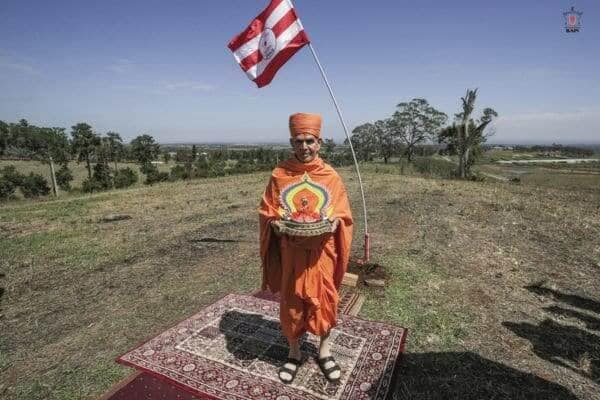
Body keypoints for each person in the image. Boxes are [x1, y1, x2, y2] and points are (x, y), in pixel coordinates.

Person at [259, 112, 353, 384]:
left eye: (309, 141)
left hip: (322, 251)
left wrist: (335, 221)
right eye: (299, 141)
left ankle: (324, 351)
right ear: (291, 142)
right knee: (292, 302)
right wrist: (275, 223)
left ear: (319, 142)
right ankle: (294, 352)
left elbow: (343, 213)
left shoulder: (330, 176)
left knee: (325, 300)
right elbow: (267, 210)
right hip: (291, 250)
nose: (304, 147)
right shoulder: (280, 175)